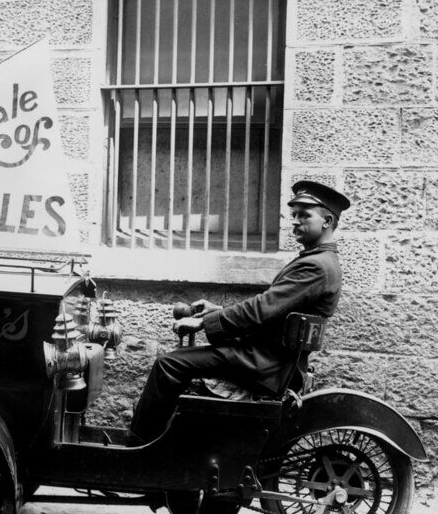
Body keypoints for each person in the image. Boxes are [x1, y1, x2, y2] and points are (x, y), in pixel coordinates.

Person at [129, 180, 351, 444]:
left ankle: (138, 449)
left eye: (304, 215)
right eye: (294, 215)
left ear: (327, 220)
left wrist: (204, 324)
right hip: (267, 357)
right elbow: (273, 309)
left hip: (264, 363)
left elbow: (261, 310)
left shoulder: (316, 266)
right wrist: (219, 311)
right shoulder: (319, 261)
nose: (294, 221)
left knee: (168, 364)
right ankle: (170, 444)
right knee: (179, 362)